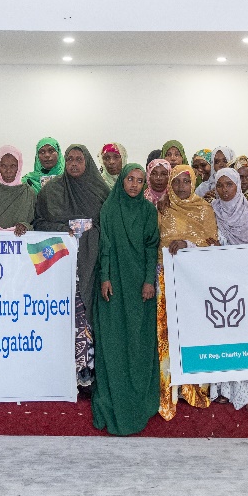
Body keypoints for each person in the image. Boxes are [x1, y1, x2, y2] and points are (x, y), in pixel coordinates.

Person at [91, 164, 160, 436]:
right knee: (114, 342)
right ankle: (113, 401)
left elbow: (151, 246)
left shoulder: (147, 211)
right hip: (114, 286)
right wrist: (105, 278)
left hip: (139, 288)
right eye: (130, 179)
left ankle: (139, 403)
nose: (134, 184)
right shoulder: (109, 208)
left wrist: (148, 281)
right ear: (122, 181)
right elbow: (105, 245)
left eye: (139, 181)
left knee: (138, 341)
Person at [35, 145, 110, 391]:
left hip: (94, 263)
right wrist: (62, 230)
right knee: (65, 317)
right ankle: (64, 372)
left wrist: (91, 232)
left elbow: (109, 226)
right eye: (70, 159)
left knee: (90, 316)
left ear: (87, 162)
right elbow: (39, 222)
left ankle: (89, 372)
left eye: (79, 159)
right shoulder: (51, 191)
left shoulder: (101, 191)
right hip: (60, 263)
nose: (74, 164)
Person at [154, 164, 219, 419]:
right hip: (165, 279)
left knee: (192, 334)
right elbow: (154, 240)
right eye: (176, 182)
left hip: (193, 283)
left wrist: (188, 244)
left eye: (186, 182)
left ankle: (193, 388)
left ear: (193, 183)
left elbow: (212, 244)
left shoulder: (204, 209)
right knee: (166, 334)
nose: (181, 187)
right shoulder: (162, 209)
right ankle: (168, 389)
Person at [207, 168, 248, 412]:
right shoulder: (210, 212)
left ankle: (247, 389)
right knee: (221, 334)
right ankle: (222, 388)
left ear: (238, 186)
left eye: (229, 185)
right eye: (219, 185)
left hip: (244, 284)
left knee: (244, 336)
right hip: (217, 284)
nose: (224, 190)